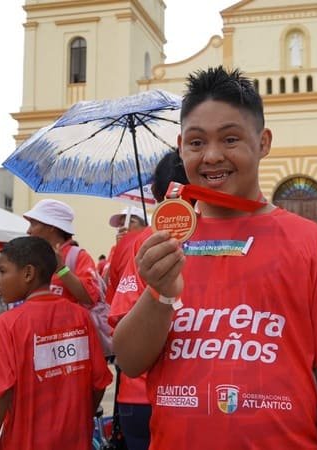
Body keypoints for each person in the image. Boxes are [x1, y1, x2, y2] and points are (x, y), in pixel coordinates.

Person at [111, 66, 317, 450]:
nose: (212, 156)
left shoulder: (312, 243)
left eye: (230, 139)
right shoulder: (157, 244)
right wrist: (161, 293)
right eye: (197, 143)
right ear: (181, 146)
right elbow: (130, 362)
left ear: (263, 142)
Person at [0, 236, 112, 449]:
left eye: (2, 271)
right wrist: (79, 422)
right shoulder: (81, 317)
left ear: (28, 273)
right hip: (76, 440)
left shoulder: (8, 323)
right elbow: (99, 382)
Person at [106, 151, 189, 450]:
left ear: (155, 195)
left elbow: (118, 314)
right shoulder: (146, 242)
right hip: (155, 395)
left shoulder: (143, 242)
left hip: (139, 397)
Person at [23, 199, 101, 307]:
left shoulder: (78, 256)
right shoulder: (34, 257)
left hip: (70, 323)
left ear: (51, 226)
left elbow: (90, 297)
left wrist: (61, 269)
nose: (28, 231)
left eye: (33, 224)